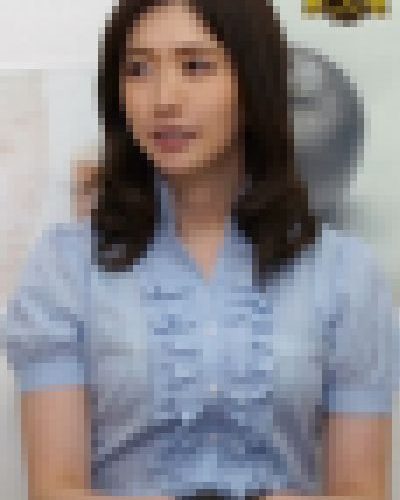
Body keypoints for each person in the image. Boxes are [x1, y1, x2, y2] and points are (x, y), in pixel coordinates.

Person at [6, 0, 398, 499]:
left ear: (253, 82)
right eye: (138, 69)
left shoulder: (345, 272)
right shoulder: (65, 267)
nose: (164, 99)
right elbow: (55, 490)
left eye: (195, 66)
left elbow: (362, 490)